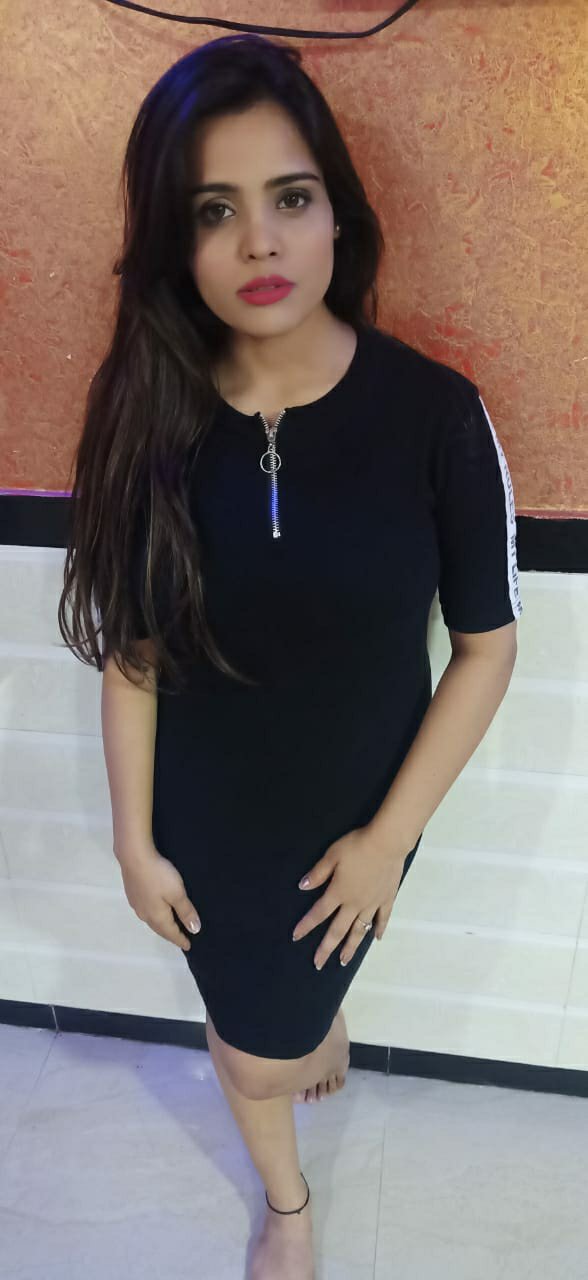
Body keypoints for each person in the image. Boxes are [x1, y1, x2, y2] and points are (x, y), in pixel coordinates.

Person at [58, 33, 523, 1280]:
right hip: (208, 819)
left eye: (291, 198)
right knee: (259, 1052)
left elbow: (485, 648)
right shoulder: (145, 406)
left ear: (337, 215)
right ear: (176, 241)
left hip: (364, 813)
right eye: (215, 211)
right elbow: (133, 653)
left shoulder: (436, 415)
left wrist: (385, 842)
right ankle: (288, 1198)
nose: (259, 242)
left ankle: (311, 1023)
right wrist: (133, 839)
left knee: (288, 1017)